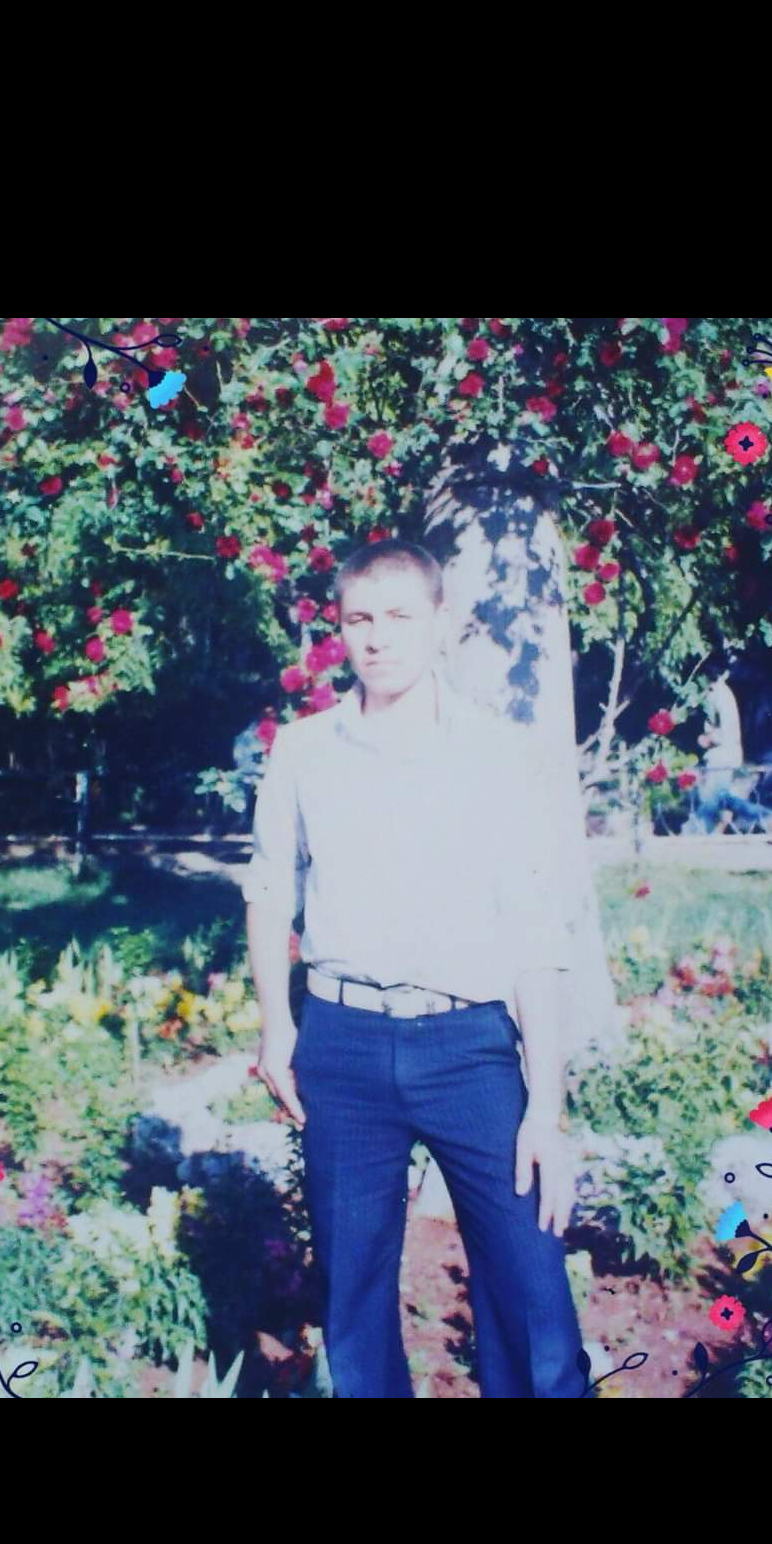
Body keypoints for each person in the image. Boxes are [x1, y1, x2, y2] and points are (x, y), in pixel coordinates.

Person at [240, 538, 585, 1400]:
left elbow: (537, 934)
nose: (378, 637)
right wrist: (277, 1027)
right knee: (352, 1301)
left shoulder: (500, 753)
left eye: (399, 616)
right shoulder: (305, 749)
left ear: (441, 623)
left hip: (469, 1048)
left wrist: (545, 1109)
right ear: (339, 629)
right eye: (360, 618)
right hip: (343, 1047)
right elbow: (270, 890)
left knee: (534, 1294)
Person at [683, 656, 772, 834]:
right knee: (720, 796)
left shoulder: (721, 695)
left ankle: (695, 832)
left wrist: (707, 738)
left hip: (723, 754)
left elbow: (728, 730)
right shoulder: (717, 694)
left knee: (712, 797)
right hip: (723, 754)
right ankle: (761, 815)